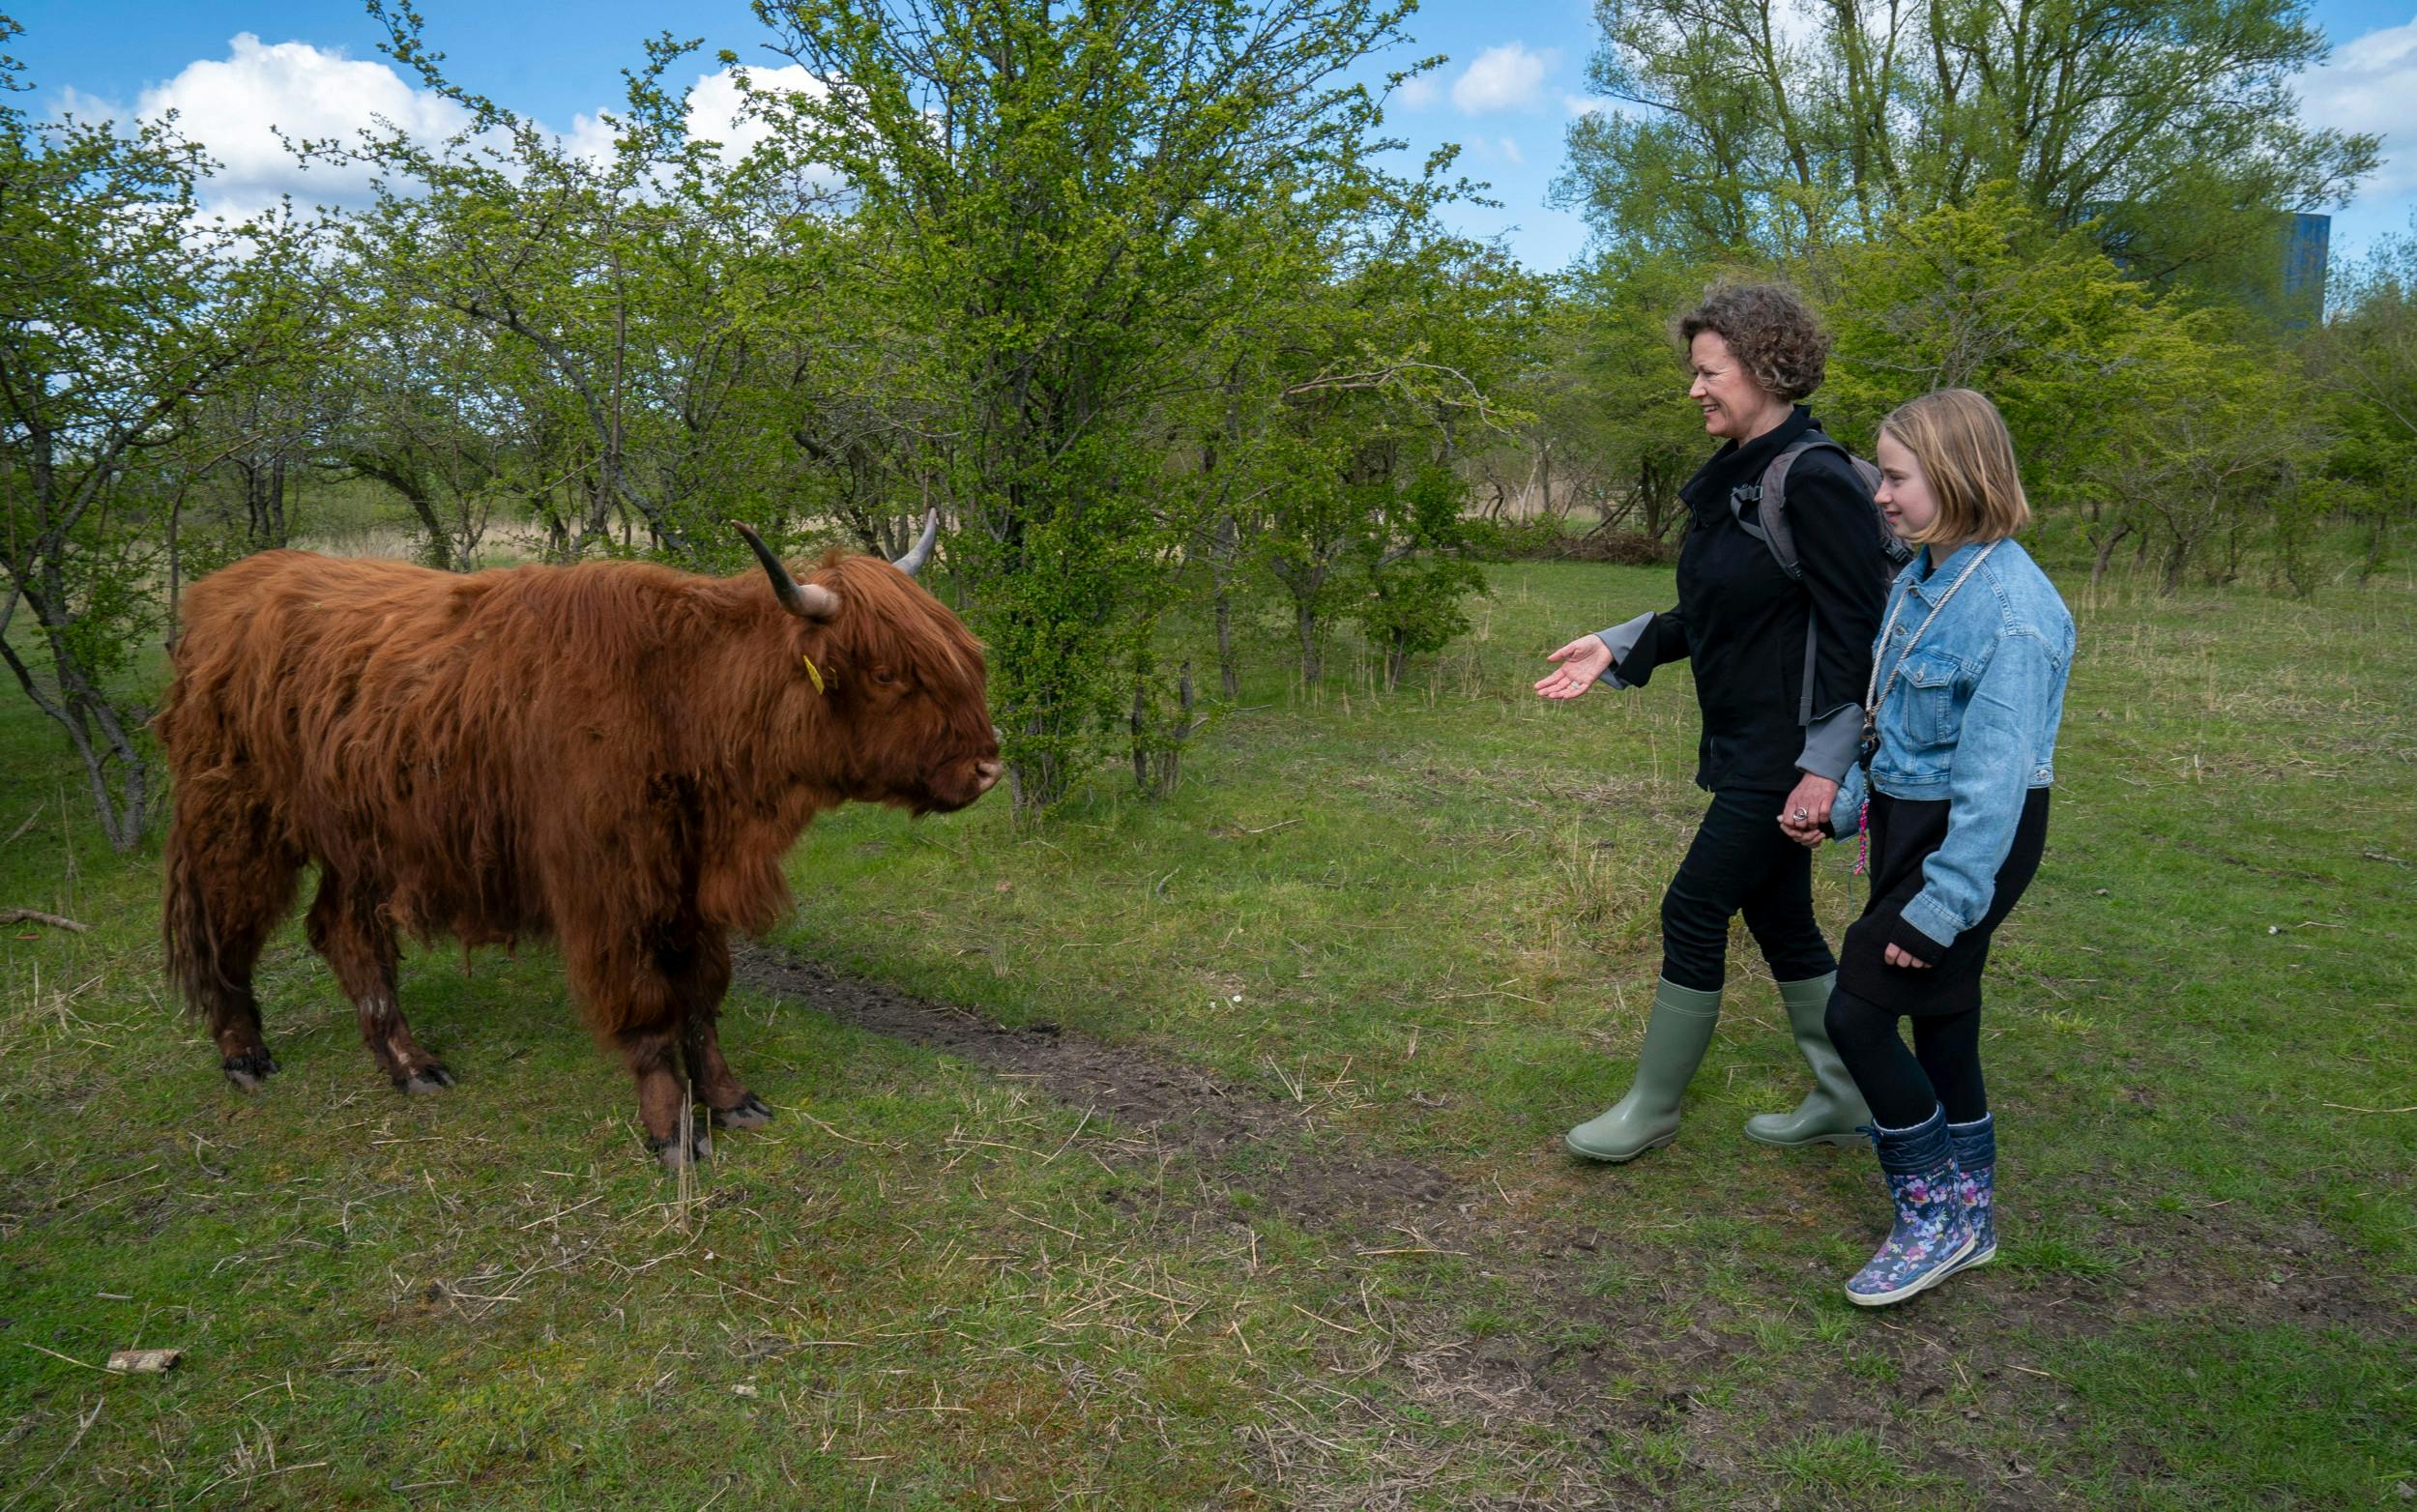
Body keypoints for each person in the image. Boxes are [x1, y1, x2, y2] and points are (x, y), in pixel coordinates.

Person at [1537, 280, 1887, 1162]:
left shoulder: (1812, 479)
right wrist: (1620, 646)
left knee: (1693, 908)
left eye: (1709, 371)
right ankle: (1847, 1093)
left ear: (1766, 369)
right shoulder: (1745, 478)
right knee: (1778, 916)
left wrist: (1826, 767)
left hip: (1788, 751)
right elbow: (1722, 612)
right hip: (1744, 741)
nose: (1694, 389)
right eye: (1693, 371)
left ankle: (1651, 1108)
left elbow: (1859, 634)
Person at [1779, 388, 2075, 1307]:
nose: (1879, 494)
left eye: (1896, 476)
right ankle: (1973, 1217)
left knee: (1857, 1016)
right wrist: (1842, 809)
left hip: (1969, 842)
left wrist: (1941, 905)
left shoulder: (2013, 613)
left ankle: (1933, 1216)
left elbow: (1990, 791)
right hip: (1913, 821)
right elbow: (1894, 730)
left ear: (1957, 476)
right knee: (1944, 1019)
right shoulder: (1922, 577)